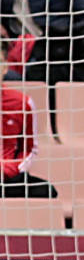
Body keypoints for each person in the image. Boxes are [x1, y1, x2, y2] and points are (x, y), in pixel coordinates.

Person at [1, 48, 55, 198]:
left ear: (5, 68)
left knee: (46, 192)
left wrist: (11, 168)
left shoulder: (23, 103)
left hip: (9, 175)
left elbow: (30, 148)